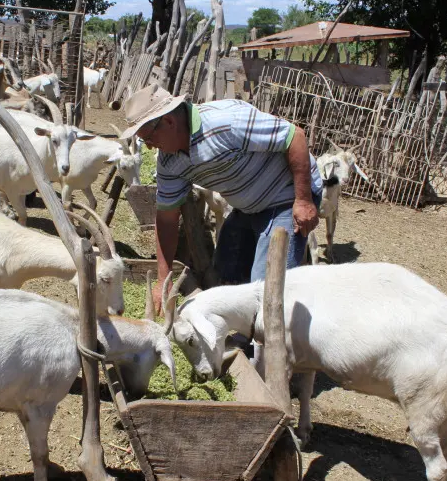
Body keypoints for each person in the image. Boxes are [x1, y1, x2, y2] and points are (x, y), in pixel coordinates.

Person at [120, 84, 322, 311]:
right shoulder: (169, 162)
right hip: (248, 206)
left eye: (148, 137)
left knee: (265, 287)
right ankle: (245, 334)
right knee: (226, 272)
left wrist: (303, 200)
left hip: (287, 196)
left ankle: (269, 340)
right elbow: (166, 219)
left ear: (168, 122)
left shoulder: (226, 122)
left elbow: (295, 136)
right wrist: (162, 280)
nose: (148, 146)